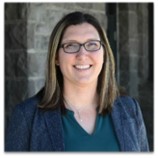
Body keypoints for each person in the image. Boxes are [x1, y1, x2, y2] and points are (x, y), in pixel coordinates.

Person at [5, 11, 149, 152]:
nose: (82, 54)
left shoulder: (130, 109)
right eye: (71, 45)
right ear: (56, 57)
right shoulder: (27, 117)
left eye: (92, 44)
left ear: (104, 53)